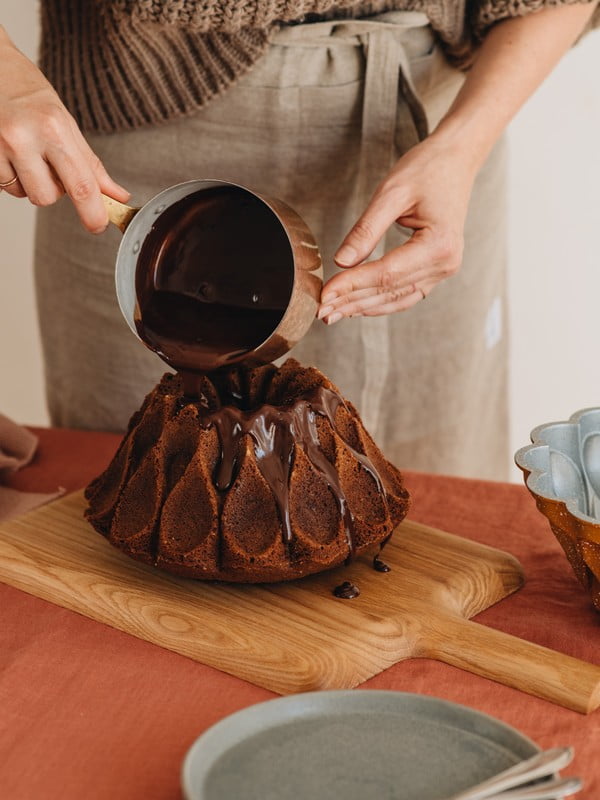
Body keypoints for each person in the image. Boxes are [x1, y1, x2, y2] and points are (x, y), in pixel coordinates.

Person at [0, 0, 598, 480]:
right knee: (133, 475)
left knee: (440, 498)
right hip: (135, 119)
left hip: (436, 146)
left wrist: (463, 145)